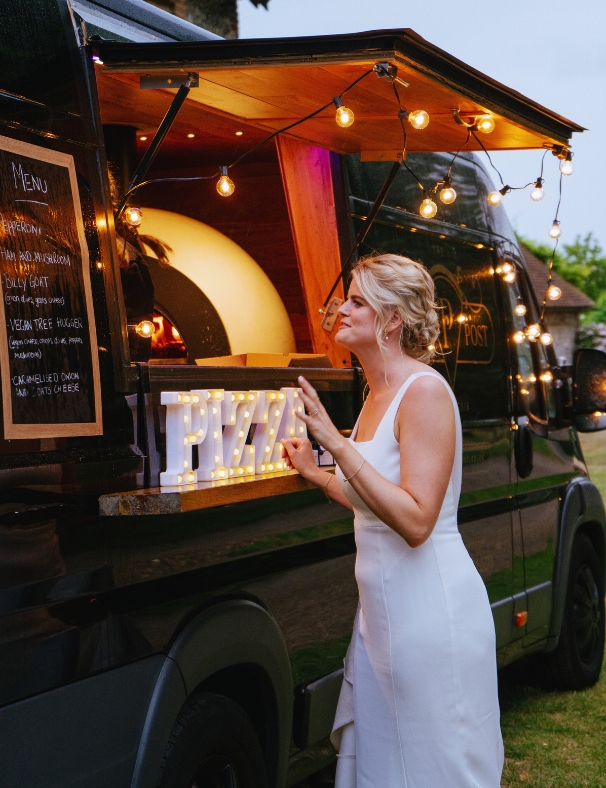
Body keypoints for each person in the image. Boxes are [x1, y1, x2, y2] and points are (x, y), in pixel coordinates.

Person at [281, 253, 504, 788]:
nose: (343, 310)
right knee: (387, 767)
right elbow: (372, 499)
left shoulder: (422, 391)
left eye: (358, 300)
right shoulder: (373, 395)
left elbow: (416, 519)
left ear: (392, 319)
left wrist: (335, 441)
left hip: (431, 615)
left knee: (435, 765)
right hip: (381, 620)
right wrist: (318, 473)